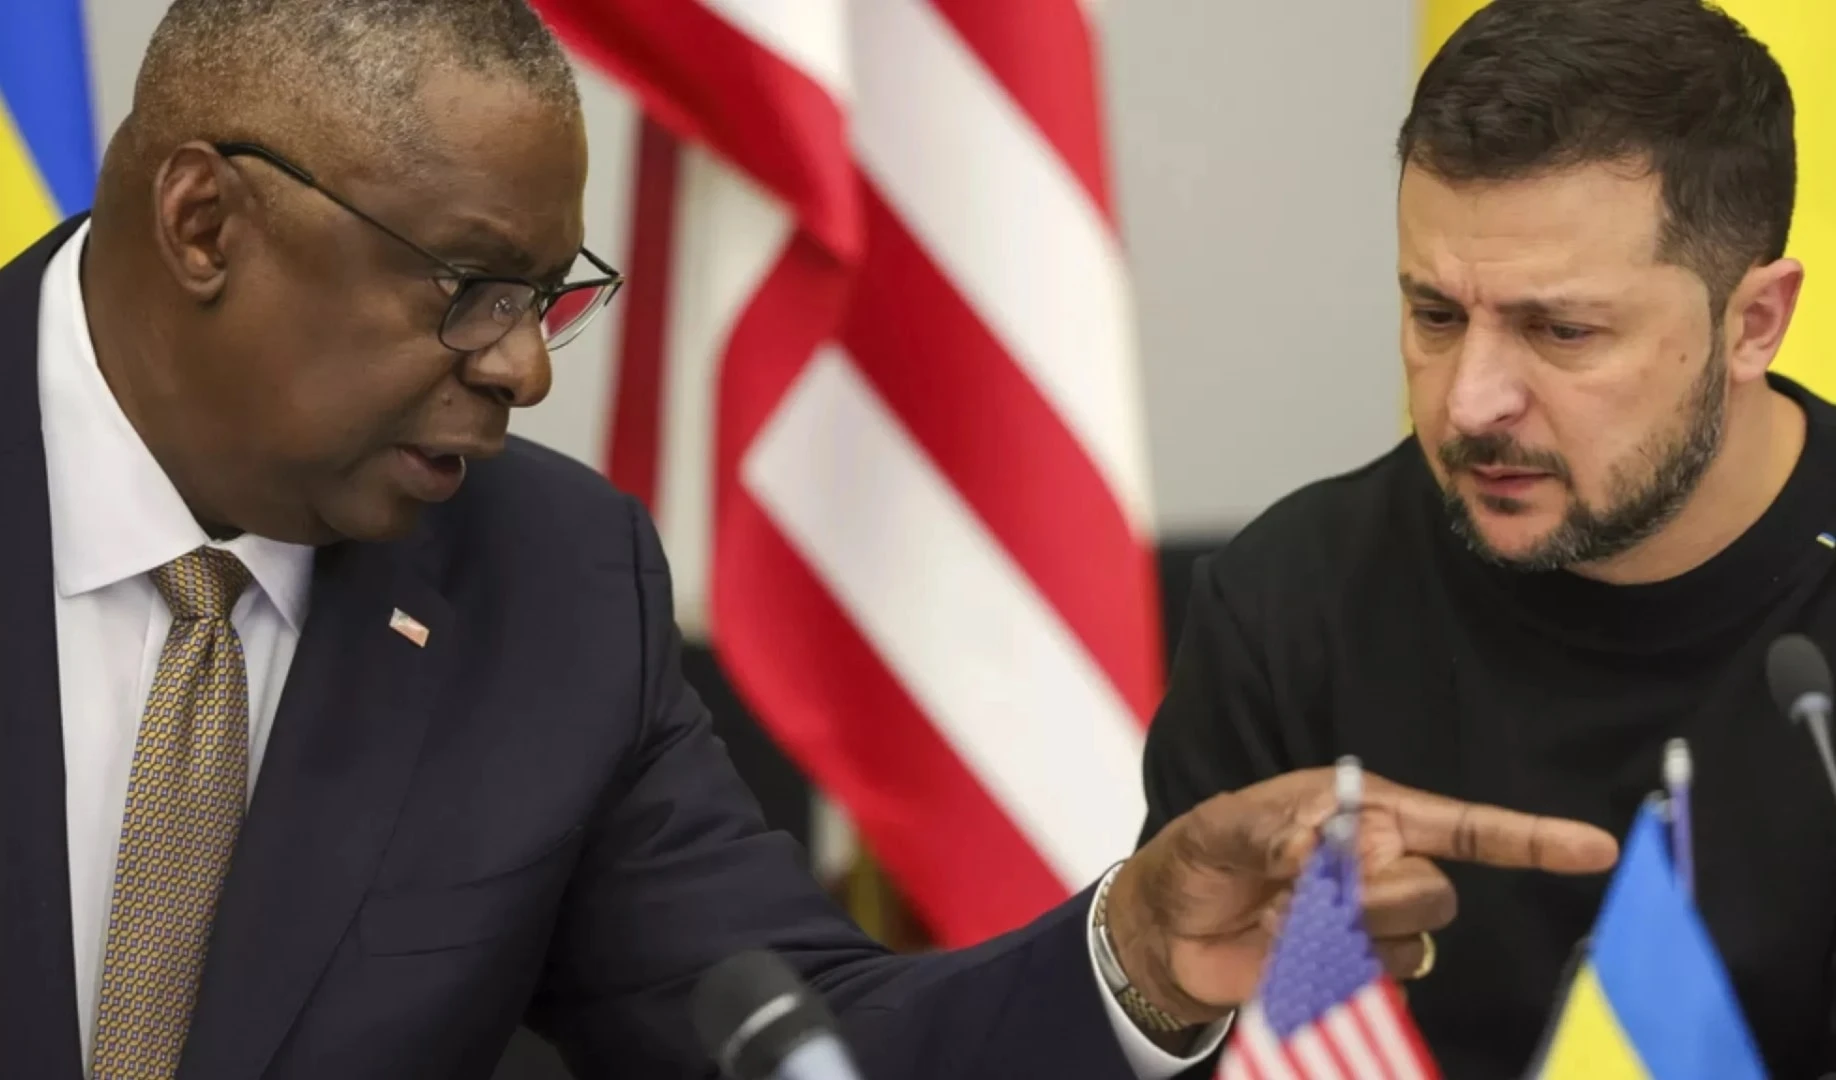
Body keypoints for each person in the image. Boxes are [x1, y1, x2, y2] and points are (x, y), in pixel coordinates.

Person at [0, 2, 1621, 1079]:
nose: (523, 369)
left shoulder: (548, 587)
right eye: (470, 289)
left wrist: (1136, 954)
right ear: (205, 223)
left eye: (550, 298)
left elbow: (798, 1041)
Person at [1114, 0, 1836, 1076]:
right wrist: (1158, 988)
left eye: (1561, 330)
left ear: (1754, 323)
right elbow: (1184, 1027)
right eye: (1437, 317)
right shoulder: (1293, 603)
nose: (1469, 403)